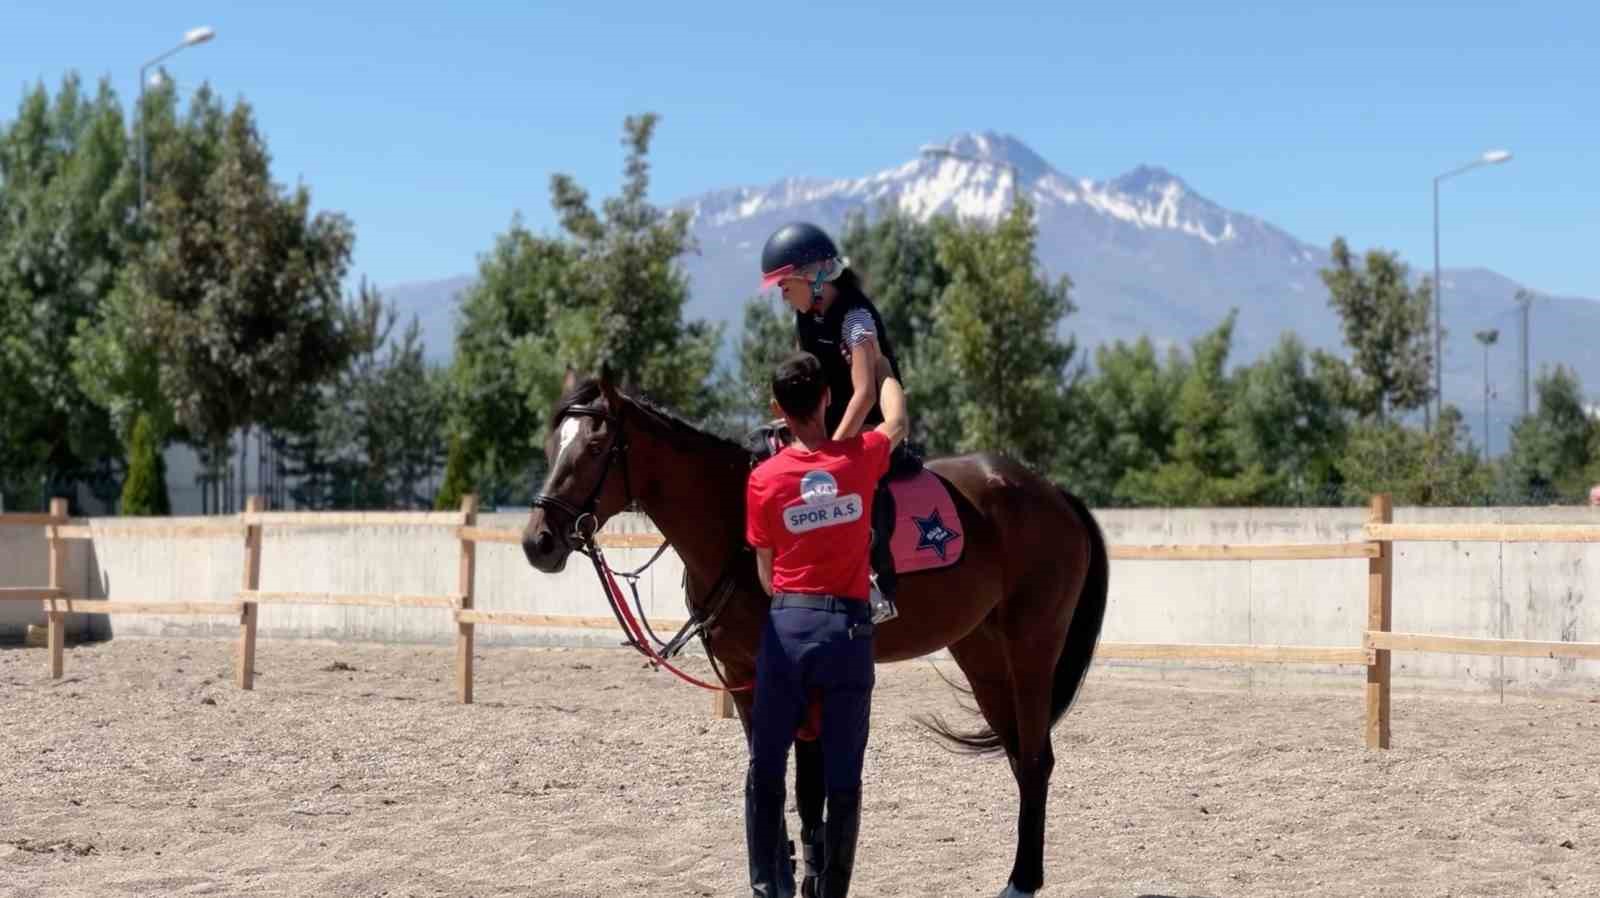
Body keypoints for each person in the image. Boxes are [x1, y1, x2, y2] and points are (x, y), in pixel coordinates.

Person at [743, 351, 908, 898]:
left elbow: (766, 575)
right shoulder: (859, 457)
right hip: (849, 633)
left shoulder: (764, 479)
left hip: (787, 628)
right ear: (828, 399)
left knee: (766, 769)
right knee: (843, 779)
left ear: (777, 409)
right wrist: (881, 371)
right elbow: (897, 422)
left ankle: (770, 888)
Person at [759, 221, 916, 626]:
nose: (782, 294)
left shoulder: (856, 321)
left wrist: (831, 454)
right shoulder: (806, 317)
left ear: (812, 278)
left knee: (865, 486)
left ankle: (879, 581)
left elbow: (864, 395)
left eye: (784, 285)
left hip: (871, 427)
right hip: (827, 431)